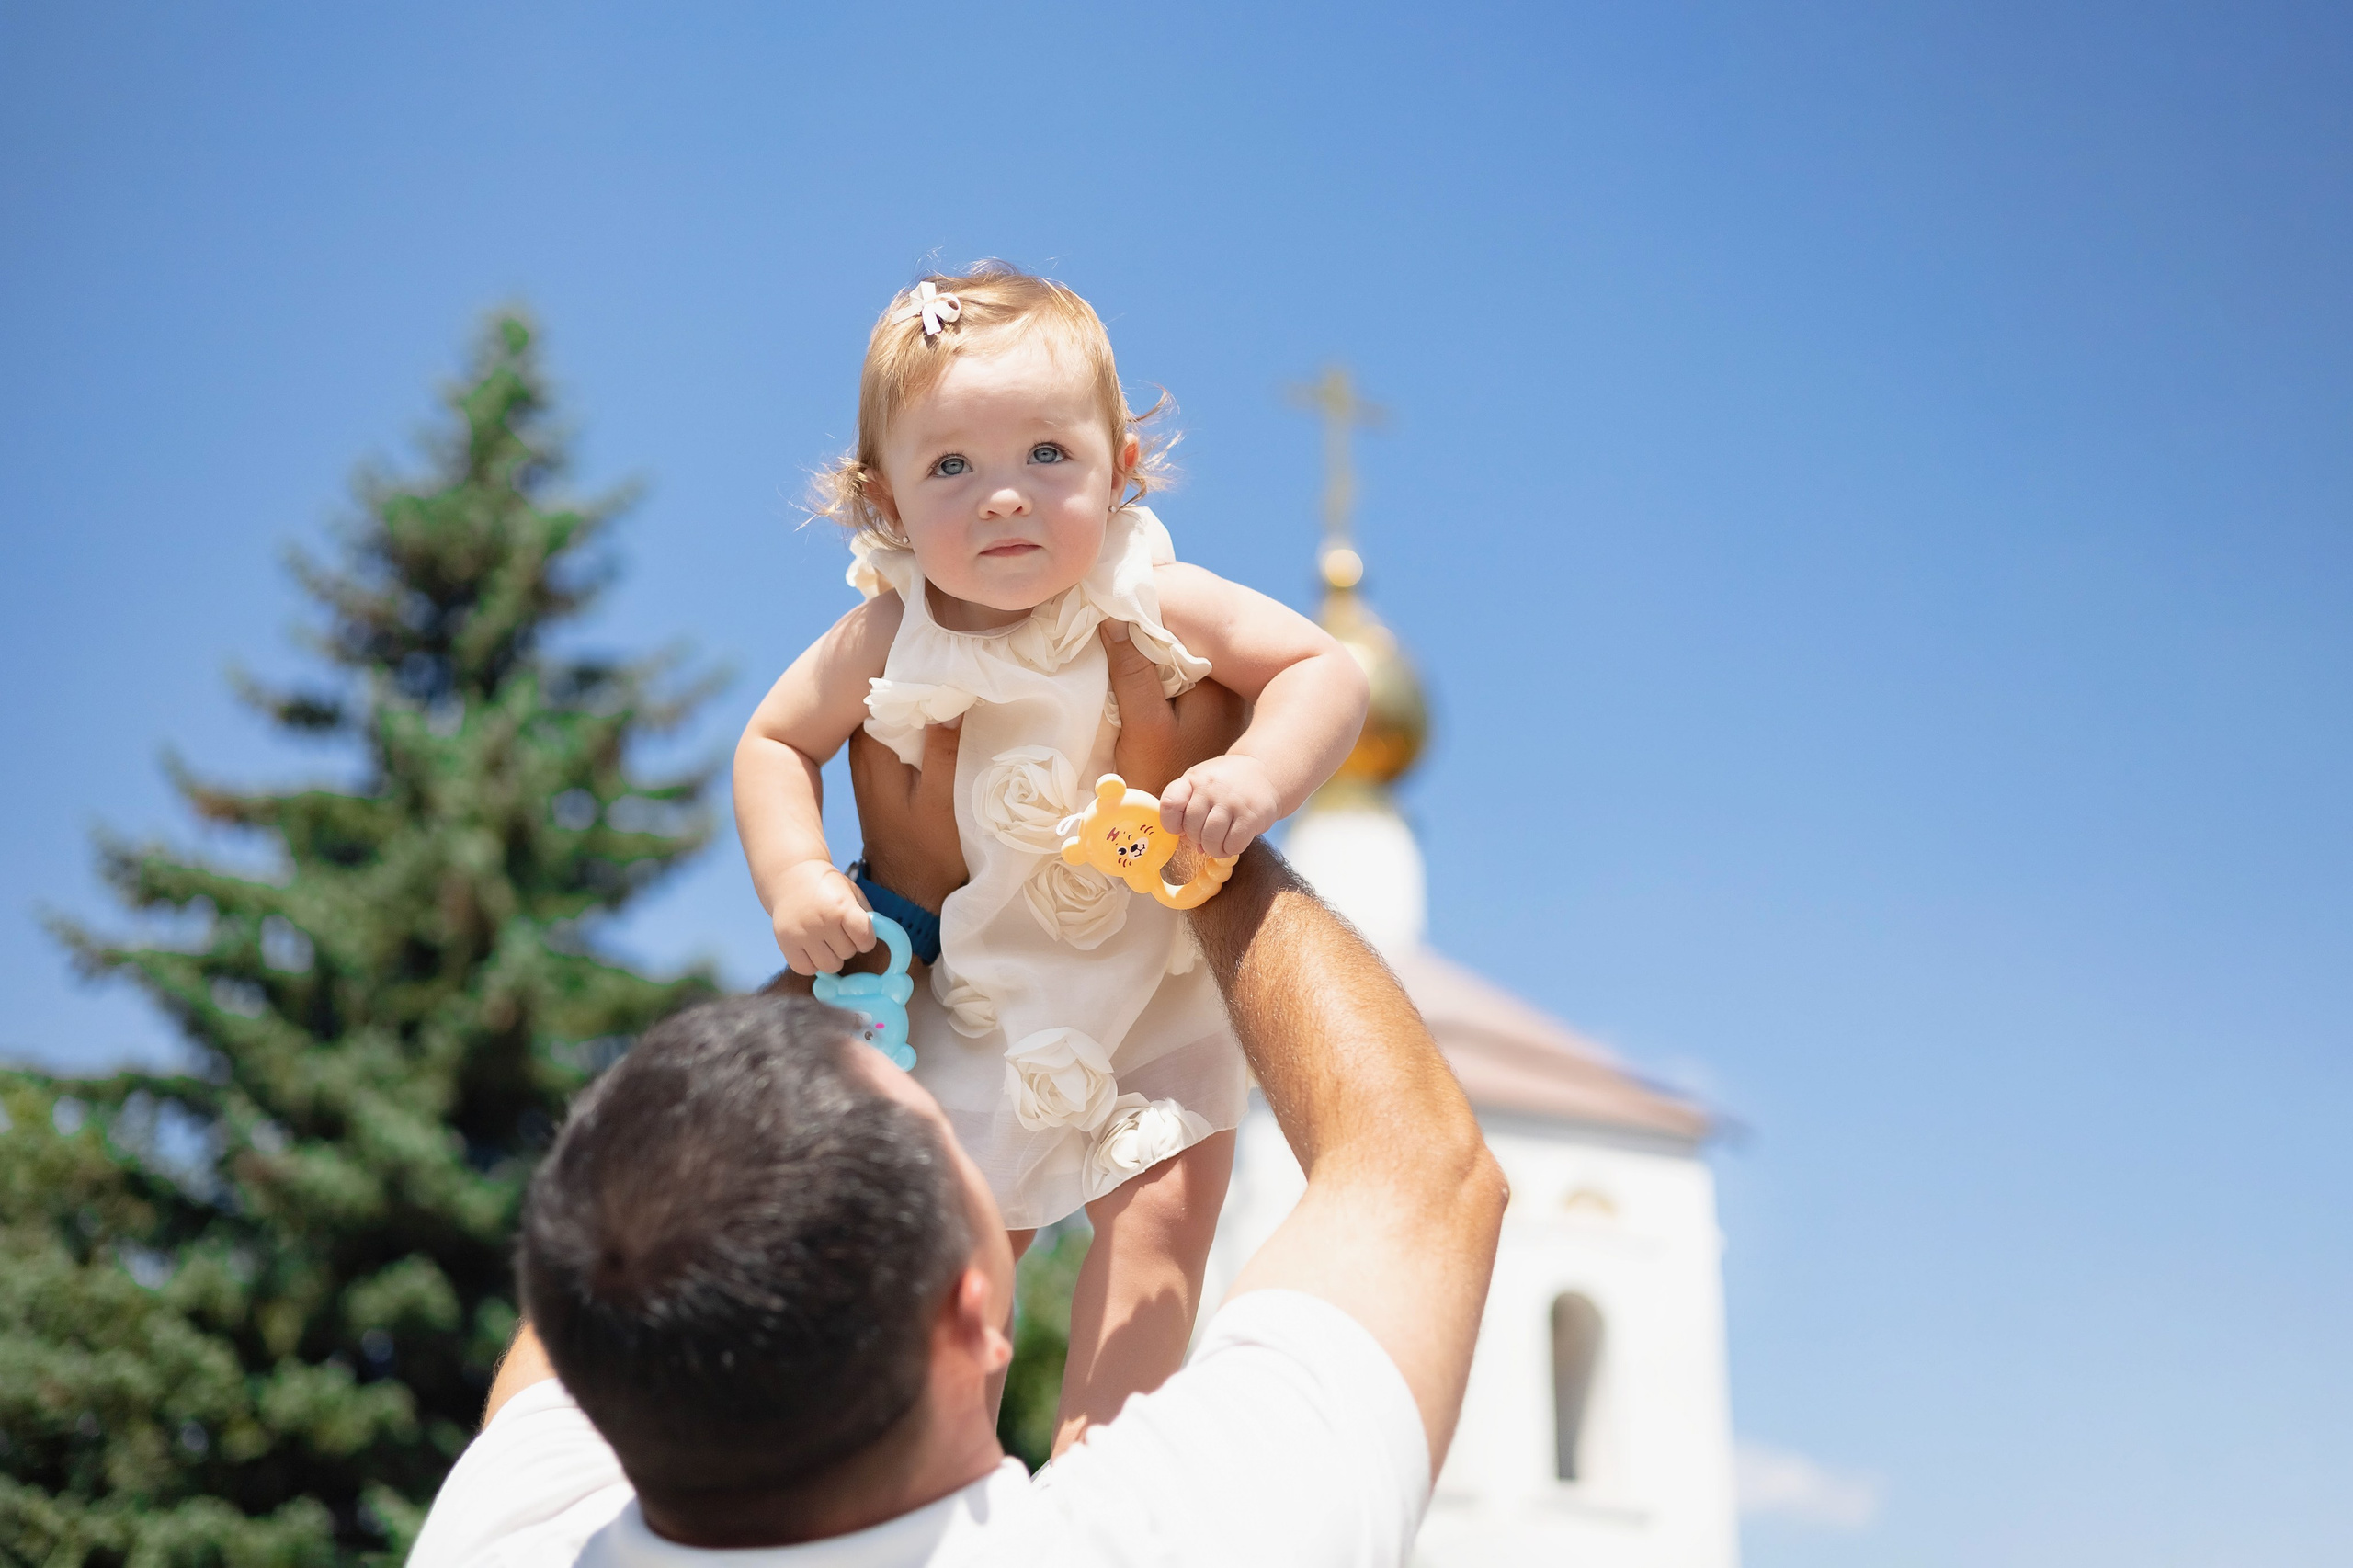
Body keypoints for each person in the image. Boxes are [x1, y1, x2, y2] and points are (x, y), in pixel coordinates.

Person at [409, 672, 1506, 1567]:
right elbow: (1418, 1174)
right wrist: (1184, 846)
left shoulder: (520, 1532)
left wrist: (888, 916)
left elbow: (638, 1203)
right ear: (969, 1314)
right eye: (940, 1126)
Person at [732, 262, 1369, 1452]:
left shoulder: (1152, 595)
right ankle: (933, 1475)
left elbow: (1323, 670)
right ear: (884, 502)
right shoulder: (888, 626)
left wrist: (1256, 775)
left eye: (1047, 457)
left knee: (1159, 1239)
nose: (1005, 499)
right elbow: (774, 739)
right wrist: (798, 876)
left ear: (1121, 465)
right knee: (952, 1267)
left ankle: (1098, 1478)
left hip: (1153, 997)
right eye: (952, 467)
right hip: (979, 999)